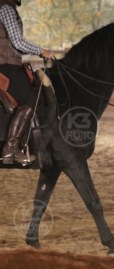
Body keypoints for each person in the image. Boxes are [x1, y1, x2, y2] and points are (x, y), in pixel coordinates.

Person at [0, 0, 54, 164]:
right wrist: (41, 51)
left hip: (8, 62)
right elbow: (17, 42)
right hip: (5, 65)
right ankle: (10, 149)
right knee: (31, 99)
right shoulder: (6, 8)